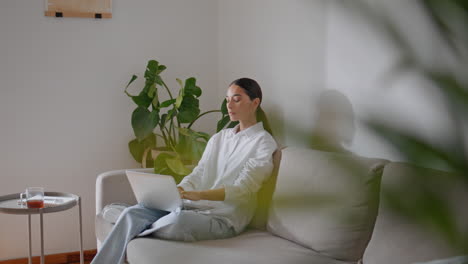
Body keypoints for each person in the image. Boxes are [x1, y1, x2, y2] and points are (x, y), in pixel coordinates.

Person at [91, 78, 278, 264]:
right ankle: (133, 216)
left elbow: (243, 190)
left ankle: (130, 217)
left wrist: (199, 194)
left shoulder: (263, 142)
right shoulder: (220, 137)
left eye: (236, 99)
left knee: (176, 221)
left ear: (255, 102)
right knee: (135, 213)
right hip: (192, 207)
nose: (229, 105)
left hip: (224, 218)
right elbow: (200, 171)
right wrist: (178, 190)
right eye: (227, 99)